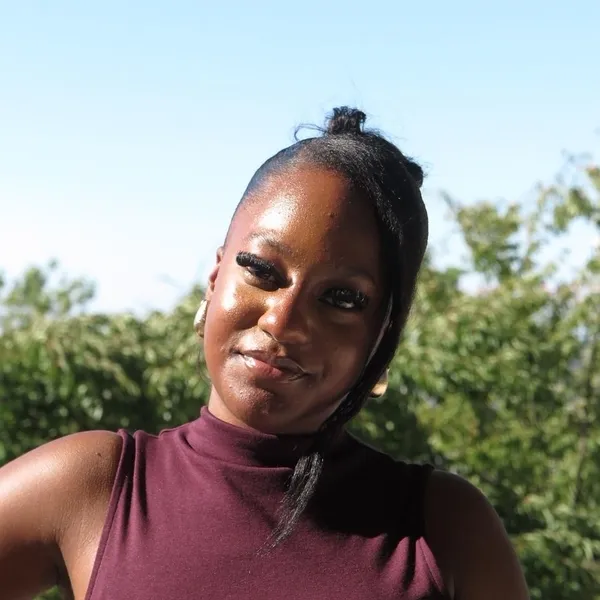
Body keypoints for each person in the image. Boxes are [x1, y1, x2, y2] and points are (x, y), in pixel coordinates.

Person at [0, 107, 529, 600]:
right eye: (261, 270)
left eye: (341, 299)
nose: (282, 321)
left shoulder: (444, 533)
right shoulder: (91, 487)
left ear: (382, 333)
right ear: (215, 278)